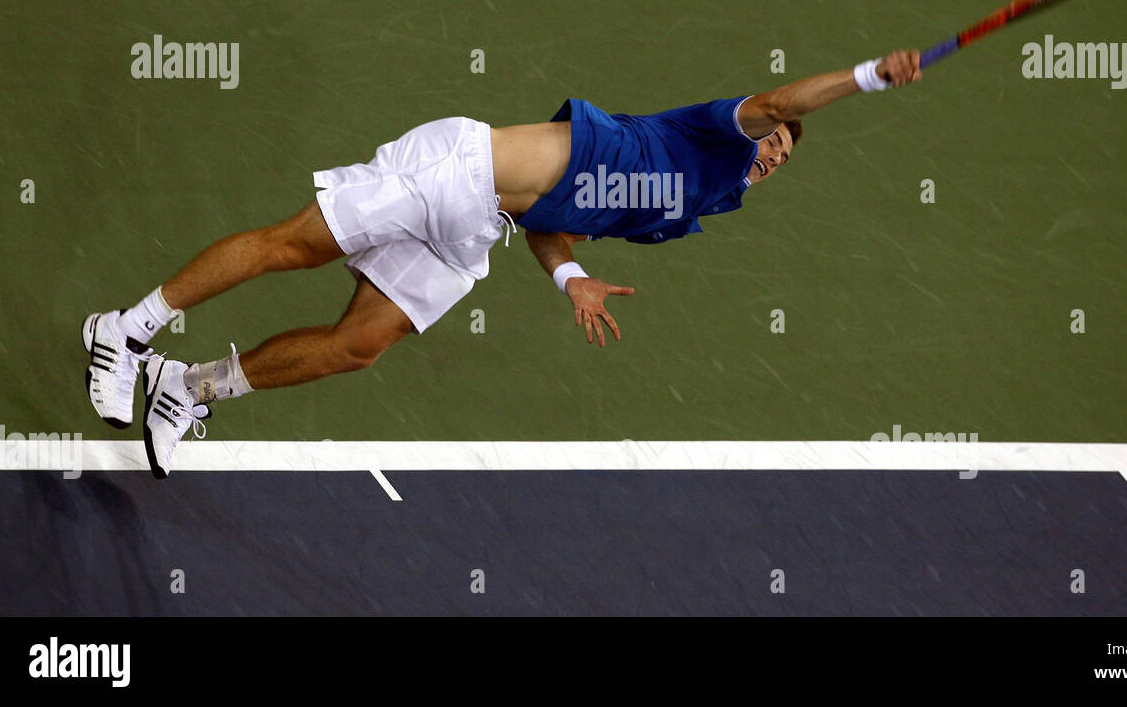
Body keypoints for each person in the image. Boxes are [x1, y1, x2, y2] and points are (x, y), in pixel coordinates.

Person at [82, 50, 922, 476]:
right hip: (457, 169)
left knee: (360, 344)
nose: (773, 150)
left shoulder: (685, 208)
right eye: (771, 140)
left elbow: (552, 227)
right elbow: (782, 100)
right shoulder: (709, 132)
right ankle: (125, 329)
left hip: (480, 225)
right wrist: (868, 77)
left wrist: (568, 277)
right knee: (292, 245)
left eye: (781, 157)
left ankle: (186, 388)